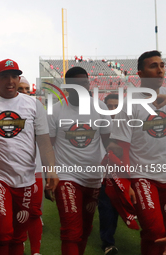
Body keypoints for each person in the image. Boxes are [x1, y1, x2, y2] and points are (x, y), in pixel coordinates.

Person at [108, 50, 166, 255]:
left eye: (162, 65)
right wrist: (127, 183)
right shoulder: (129, 103)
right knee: (155, 230)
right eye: (154, 66)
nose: (160, 70)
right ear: (140, 73)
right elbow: (121, 147)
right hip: (142, 177)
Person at [0, 59, 58, 255]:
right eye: (5, 76)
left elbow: (43, 140)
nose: (10, 81)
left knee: (19, 234)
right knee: (2, 231)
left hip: (25, 178)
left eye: (14, 76)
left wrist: (51, 169)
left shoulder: (33, 104)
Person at [48, 66, 113, 255]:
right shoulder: (56, 110)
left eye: (85, 82)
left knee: (85, 229)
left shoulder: (100, 107)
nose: (84, 87)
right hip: (66, 177)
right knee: (71, 231)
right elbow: (48, 146)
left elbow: (108, 142)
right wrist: (48, 175)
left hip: (93, 177)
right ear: (67, 86)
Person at [17, 76, 44, 255]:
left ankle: (35, 251)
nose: (26, 92)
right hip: (8, 173)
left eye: (28, 89)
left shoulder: (36, 108)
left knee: (34, 213)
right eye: (22, 89)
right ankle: (18, 246)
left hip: (36, 169)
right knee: (12, 216)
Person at [98, 93, 120, 255]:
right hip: (104, 173)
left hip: (125, 172)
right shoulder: (99, 123)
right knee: (107, 207)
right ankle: (108, 242)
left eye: (115, 106)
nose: (112, 109)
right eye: (109, 106)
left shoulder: (127, 124)